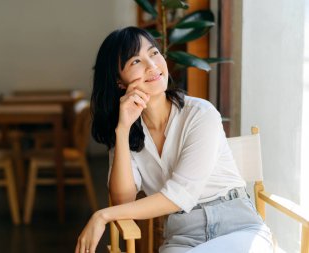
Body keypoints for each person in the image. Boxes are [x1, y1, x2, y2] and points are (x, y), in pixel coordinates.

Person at [75, 26, 273, 253]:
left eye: (154, 53)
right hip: (183, 236)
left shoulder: (200, 113)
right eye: (135, 62)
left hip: (237, 227)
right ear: (119, 81)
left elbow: (181, 194)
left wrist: (103, 215)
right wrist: (121, 130)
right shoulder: (127, 129)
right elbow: (123, 200)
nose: (152, 66)